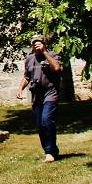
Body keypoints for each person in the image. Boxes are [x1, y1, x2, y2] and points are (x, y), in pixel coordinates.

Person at [16, 34, 62, 162]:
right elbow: (26, 77)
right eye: (34, 43)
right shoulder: (29, 59)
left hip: (51, 92)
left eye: (39, 42)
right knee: (40, 125)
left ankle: (49, 152)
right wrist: (20, 88)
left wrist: (45, 53)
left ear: (44, 44)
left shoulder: (52, 55)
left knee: (46, 120)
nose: (36, 45)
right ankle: (52, 150)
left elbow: (57, 68)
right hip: (37, 95)